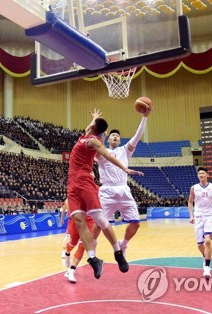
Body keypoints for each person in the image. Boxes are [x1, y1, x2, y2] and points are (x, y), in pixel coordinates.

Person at [67, 109, 143, 279]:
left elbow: (108, 156)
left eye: (91, 125)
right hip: (72, 184)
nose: (88, 127)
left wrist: (124, 168)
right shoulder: (85, 136)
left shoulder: (93, 141)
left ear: (95, 130)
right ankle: (94, 259)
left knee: (101, 221)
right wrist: (94, 118)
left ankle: (118, 253)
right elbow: (89, 128)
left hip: (85, 181)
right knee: (80, 222)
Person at [93, 107, 150, 257]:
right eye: (112, 136)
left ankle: (123, 244)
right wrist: (102, 137)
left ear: (120, 139)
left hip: (123, 189)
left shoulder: (125, 150)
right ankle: (91, 247)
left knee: (136, 223)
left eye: (117, 136)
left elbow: (138, 136)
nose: (115, 137)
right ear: (108, 138)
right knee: (99, 223)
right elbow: (97, 152)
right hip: (107, 191)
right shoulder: (102, 151)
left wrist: (144, 117)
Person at [188, 167, 212, 279]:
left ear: (207, 175)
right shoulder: (194, 188)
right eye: (199, 173)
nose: (201, 175)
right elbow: (190, 202)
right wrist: (191, 215)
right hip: (198, 217)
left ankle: (207, 268)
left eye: (203, 173)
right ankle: (205, 257)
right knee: (200, 244)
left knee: (207, 241)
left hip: (209, 216)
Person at [60, 197, 96, 283]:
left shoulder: (90, 193)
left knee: (83, 245)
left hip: (89, 220)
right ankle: (67, 252)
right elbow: (69, 212)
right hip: (75, 221)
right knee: (73, 243)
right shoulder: (69, 200)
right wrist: (61, 219)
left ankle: (71, 270)